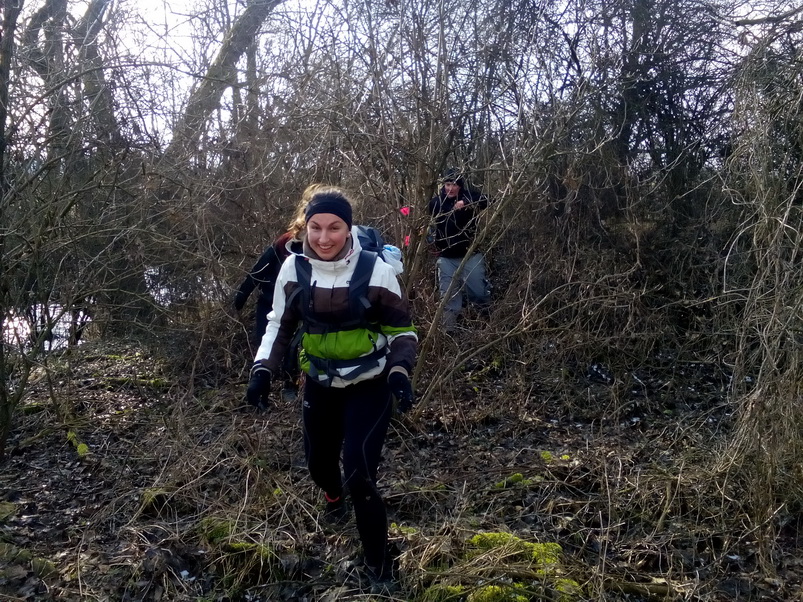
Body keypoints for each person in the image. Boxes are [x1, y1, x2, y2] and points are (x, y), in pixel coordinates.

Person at [245, 187, 417, 586]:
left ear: (348, 228)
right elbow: (279, 325)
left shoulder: (376, 271)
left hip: (369, 384)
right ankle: (332, 496)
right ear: (305, 227)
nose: (324, 238)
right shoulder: (294, 268)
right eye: (316, 227)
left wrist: (399, 372)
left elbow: (402, 331)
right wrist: (262, 370)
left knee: (361, 474)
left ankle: (379, 565)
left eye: (334, 227)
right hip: (320, 383)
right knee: (319, 465)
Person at [234, 186, 325, 400]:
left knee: (294, 347)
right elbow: (258, 270)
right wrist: (242, 295)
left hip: (300, 306)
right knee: (265, 340)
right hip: (269, 301)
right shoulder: (284, 243)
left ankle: (289, 384)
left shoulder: (328, 247)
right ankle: (263, 380)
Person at [428, 167, 491, 331]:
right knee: (448, 299)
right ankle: (449, 332)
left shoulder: (468, 196)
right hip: (446, 258)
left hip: (470, 256)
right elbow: (427, 221)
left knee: (479, 293)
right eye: (447, 184)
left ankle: (485, 327)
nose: (450, 188)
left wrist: (467, 203)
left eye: (454, 185)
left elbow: (489, 200)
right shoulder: (436, 203)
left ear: (460, 186)